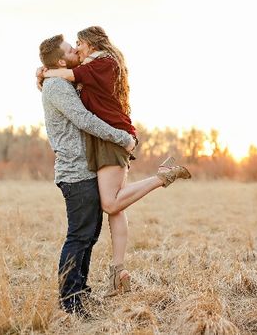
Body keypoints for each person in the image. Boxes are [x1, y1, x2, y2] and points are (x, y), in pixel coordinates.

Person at [40, 26, 191, 297]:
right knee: (115, 208)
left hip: (112, 139)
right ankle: (116, 273)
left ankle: (163, 176)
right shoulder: (85, 70)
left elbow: (70, 80)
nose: (76, 49)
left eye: (78, 44)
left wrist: (46, 72)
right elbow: (69, 86)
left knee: (110, 204)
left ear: (90, 43)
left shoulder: (100, 63)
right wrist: (46, 74)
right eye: (71, 47)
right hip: (104, 142)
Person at [38, 34, 136, 316]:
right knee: (79, 237)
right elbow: (85, 120)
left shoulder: (60, 80)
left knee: (88, 237)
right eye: (70, 50)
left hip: (84, 169)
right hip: (74, 172)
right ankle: (70, 302)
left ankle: (80, 291)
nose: (75, 51)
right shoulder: (56, 86)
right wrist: (121, 137)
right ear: (60, 60)